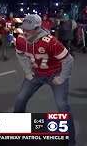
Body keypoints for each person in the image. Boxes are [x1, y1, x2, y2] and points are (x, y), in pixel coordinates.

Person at [14, 14, 76, 145]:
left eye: (29, 29)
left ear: (38, 29)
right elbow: (20, 55)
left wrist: (62, 77)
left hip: (54, 74)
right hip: (36, 74)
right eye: (24, 28)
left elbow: (68, 60)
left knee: (62, 105)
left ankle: (71, 141)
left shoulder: (51, 42)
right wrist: (28, 71)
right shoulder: (20, 40)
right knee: (20, 98)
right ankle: (16, 131)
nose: (25, 32)